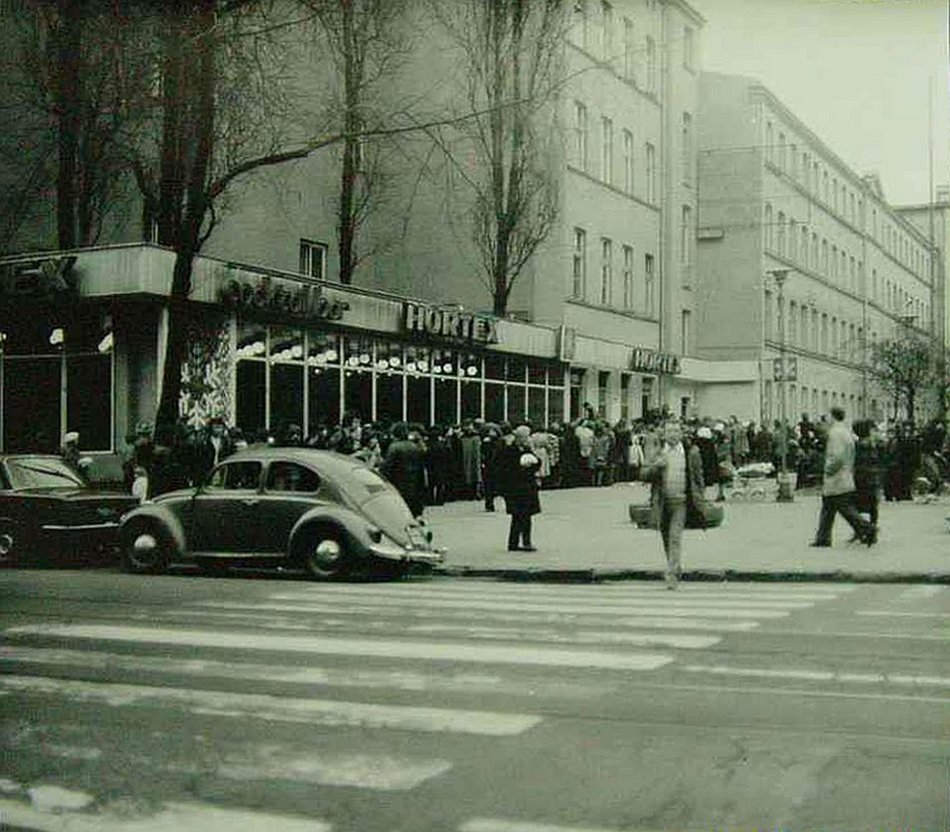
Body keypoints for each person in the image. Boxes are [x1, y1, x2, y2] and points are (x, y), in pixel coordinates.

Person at [641, 420, 706, 590]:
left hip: (682, 502)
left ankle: (670, 574)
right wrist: (657, 467)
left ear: (681, 433)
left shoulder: (690, 452)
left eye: (676, 431)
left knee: (675, 537)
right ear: (664, 433)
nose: (673, 434)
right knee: (666, 539)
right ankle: (675, 566)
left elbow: (699, 477)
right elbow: (643, 474)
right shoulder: (658, 451)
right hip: (662, 502)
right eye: (669, 431)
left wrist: (701, 497)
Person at [811, 407, 875, 548]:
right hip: (844, 475)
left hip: (837, 477)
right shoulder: (845, 432)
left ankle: (866, 528)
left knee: (844, 508)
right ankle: (823, 537)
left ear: (833, 417)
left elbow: (837, 457)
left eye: (827, 417)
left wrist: (828, 469)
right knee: (828, 508)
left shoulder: (836, 434)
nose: (825, 420)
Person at [498, 424, 542, 552]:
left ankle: (525, 542)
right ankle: (515, 543)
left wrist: (533, 464)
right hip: (516, 488)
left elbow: (537, 463)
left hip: (527, 487)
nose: (528, 439)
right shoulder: (510, 451)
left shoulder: (527, 449)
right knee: (518, 516)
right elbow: (506, 469)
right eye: (526, 437)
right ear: (520, 437)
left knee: (526, 516)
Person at [380, 422, 426, 518]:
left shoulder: (394, 447)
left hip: (398, 484)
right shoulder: (415, 447)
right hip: (414, 483)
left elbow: (387, 468)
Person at [852, 418, 882, 542]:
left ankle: (863, 531)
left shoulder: (859, 445)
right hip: (872, 478)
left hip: (861, 478)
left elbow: (856, 462)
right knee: (872, 507)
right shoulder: (873, 444)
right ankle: (871, 532)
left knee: (858, 506)